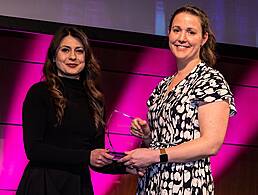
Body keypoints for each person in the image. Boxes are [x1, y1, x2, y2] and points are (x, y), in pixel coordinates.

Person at [118, 5, 237, 195]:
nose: (182, 38)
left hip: (186, 185)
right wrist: (149, 136)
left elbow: (211, 143)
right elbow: (163, 143)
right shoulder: (163, 86)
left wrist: (155, 155)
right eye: (176, 30)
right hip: (152, 183)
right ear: (169, 33)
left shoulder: (210, 80)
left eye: (191, 32)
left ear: (203, 38)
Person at [16, 26, 141, 195]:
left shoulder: (95, 99)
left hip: (78, 186)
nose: (73, 57)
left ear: (86, 57)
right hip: (43, 184)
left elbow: (96, 158)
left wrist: (126, 167)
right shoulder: (39, 92)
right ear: (54, 56)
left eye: (79, 51)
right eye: (65, 50)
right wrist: (86, 156)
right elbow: (34, 150)